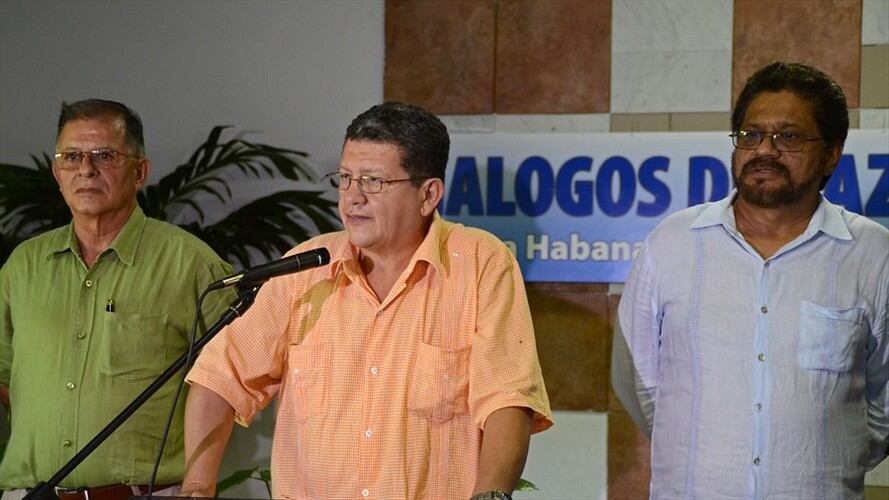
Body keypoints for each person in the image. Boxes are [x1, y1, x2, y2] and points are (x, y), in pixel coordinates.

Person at [182, 102, 553, 500]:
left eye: (373, 182)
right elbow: (218, 379)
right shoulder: (303, 270)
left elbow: (507, 400)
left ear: (428, 194)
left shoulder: (481, 263)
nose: (351, 198)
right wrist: (197, 488)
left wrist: (491, 495)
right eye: (344, 178)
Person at [612, 61, 889, 499]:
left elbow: (884, 402)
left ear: (832, 152)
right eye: (751, 135)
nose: (765, 150)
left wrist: (829, 452)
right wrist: (700, 446)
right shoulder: (672, 243)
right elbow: (638, 380)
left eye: (789, 137)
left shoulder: (873, 254)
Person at [0, 99, 236, 500]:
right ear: (58, 173)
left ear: (140, 171)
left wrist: (199, 485)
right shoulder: (24, 266)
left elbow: (232, 380)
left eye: (104, 156)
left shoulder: (190, 263)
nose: (86, 170)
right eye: (71, 157)